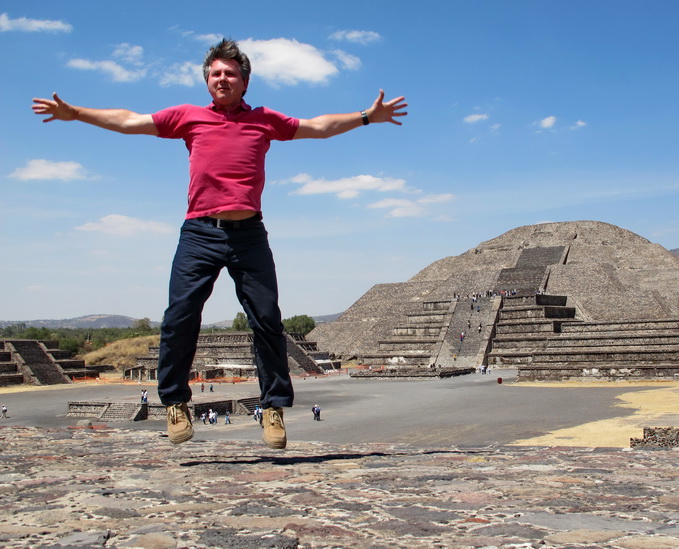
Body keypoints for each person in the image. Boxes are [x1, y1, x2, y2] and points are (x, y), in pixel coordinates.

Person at [32, 39, 406, 449]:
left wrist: (368, 116)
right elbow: (129, 120)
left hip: (249, 235)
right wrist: (75, 113)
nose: (222, 78)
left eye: (230, 73)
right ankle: (175, 404)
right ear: (207, 81)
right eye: (215, 73)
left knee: (267, 321)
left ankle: (275, 409)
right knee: (179, 317)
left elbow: (317, 127)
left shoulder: (265, 119)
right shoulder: (187, 117)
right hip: (199, 232)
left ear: (245, 81)